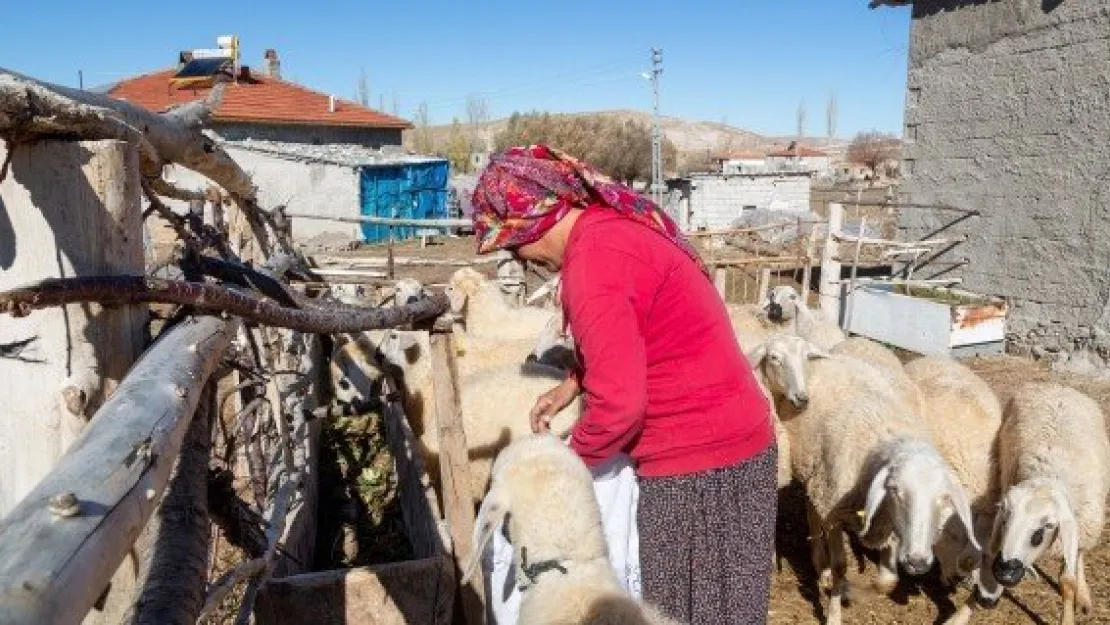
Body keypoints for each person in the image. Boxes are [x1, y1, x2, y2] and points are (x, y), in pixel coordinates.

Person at [470, 145, 777, 624]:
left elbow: (620, 407)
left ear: (533, 221)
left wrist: (564, 469)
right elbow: (640, 335)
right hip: (729, 448)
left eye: (512, 244)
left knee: (690, 613)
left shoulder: (593, 264)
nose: (520, 257)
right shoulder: (610, 229)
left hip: (698, 470)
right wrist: (575, 382)